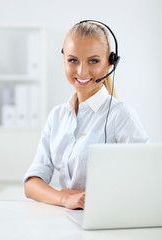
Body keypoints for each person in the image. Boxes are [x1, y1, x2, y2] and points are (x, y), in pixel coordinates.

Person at [23, 21, 149, 210]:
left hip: (107, 221)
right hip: (65, 219)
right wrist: (64, 198)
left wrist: (75, 196)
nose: (82, 71)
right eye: (73, 60)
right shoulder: (57, 116)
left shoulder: (121, 116)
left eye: (93, 61)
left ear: (109, 63)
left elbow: (145, 182)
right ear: (64, 59)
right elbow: (32, 184)